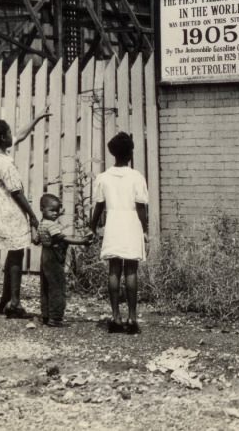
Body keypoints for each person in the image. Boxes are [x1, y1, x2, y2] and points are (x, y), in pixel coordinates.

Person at [0, 113, 49, 318]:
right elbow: (16, 192)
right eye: (9, 133)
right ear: (4, 138)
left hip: (1, 209)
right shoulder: (5, 164)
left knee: (13, 254)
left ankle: (6, 299)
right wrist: (32, 215)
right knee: (17, 255)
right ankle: (14, 303)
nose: (13, 135)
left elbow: (20, 135)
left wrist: (37, 118)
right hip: (11, 210)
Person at [90, 132, 149, 334]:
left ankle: (115, 318)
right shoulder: (136, 177)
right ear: (130, 153)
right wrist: (145, 228)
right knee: (131, 270)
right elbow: (141, 207)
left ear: (113, 153)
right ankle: (132, 319)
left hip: (114, 223)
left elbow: (98, 206)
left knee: (114, 270)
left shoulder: (103, 177)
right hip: (131, 222)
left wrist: (92, 226)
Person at [37, 193, 94, 327]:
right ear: (42, 209)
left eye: (57, 210)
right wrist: (82, 241)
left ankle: (46, 314)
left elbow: (36, 240)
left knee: (46, 285)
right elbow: (63, 238)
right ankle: (55, 317)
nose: (55, 213)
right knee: (57, 285)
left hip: (45, 254)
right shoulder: (51, 225)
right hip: (53, 256)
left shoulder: (42, 224)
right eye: (51, 210)